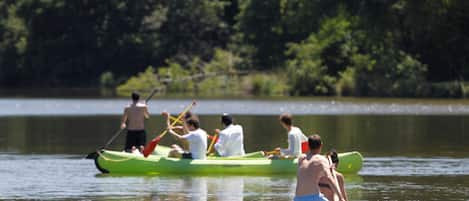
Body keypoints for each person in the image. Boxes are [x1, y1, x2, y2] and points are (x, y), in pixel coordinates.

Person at [294, 135, 346, 201]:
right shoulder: (321, 159)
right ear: (321, 145)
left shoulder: (301, 159)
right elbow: (329, 178)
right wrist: (341, 198)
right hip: (313, 198)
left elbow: (309, 172)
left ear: (308, 146)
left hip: (297, 198)